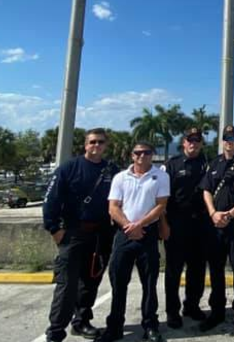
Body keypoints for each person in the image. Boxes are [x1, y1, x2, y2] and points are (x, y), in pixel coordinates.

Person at [42, 128, 120, 342]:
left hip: (101, 235)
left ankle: (81, 322)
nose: (97, 146)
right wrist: (54, 228)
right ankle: (56, 331)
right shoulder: (69, 168)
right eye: (93, 142)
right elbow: (51, 199)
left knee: (90, 282)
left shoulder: (111, 170)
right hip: (74, 234)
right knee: (67, 284)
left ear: (105, 145)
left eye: (101, 142)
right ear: (85, 145)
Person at [97, 142, 170, 342]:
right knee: (118, 283)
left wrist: (140, 225)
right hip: (124, 234)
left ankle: (150, 326)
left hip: (148, 234)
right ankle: (115, 327)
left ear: (152, 155)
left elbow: (161, 205)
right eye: (138, 153)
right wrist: (129, 226)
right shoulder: (121, 177)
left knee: (149, 283)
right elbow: (113, 207)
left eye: (146, 152)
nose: (142, 156)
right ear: (132, 155)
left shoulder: (161, 176)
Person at [200, 125, 234, 336]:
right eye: (226, 138)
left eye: (232, 138)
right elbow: (206, 190)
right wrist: (214, 213)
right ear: (222, 141)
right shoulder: (214, 163)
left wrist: (230, 214)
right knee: (215, 271)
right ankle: (217, 312)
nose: (229, 142)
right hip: (214, 225)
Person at [161, 127, 210, 329]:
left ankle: (191, 305)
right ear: (183, 142)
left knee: (197, 269)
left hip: (200, 224)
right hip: (176, 223)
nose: (193, 144)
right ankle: (172, 312)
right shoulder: (171, 165)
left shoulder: (208, 164)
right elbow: (162, 198)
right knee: (173, 271)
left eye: (197, 140)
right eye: (190, 140)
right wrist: (163, 224)